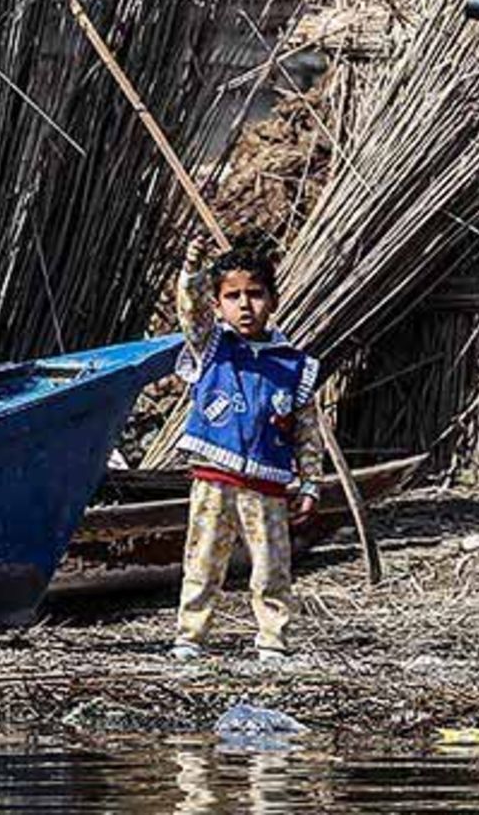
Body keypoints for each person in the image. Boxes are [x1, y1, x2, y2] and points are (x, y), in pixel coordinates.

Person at [169, 232, 323, 663]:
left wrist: (310, 483)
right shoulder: (211, 345)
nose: (244, 305)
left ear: (272, 300)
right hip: (214, 475)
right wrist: (193, 268)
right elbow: (190, 310)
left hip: (267, 484)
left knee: (272, 566)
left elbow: (306, 432)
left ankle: (272, 639)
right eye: (232, 296)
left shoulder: (294, 366)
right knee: (202, 561)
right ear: (218, 304)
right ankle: (190, 637)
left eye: (254, 294)